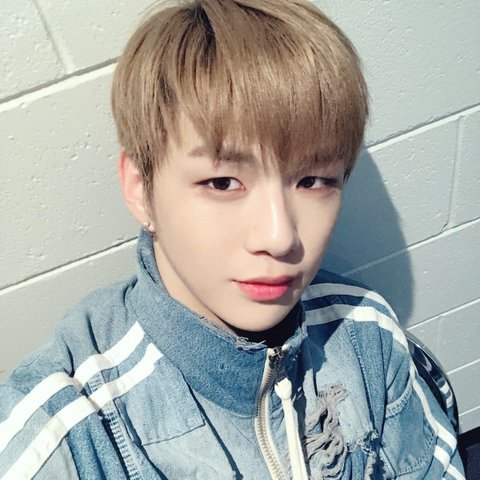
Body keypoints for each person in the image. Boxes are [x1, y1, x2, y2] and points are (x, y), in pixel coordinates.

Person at [0, 0, 465, 478]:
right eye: (222, 183)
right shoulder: (70, 431)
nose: (279, 238)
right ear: (141, 189)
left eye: (313, 180)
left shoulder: (367, 335)